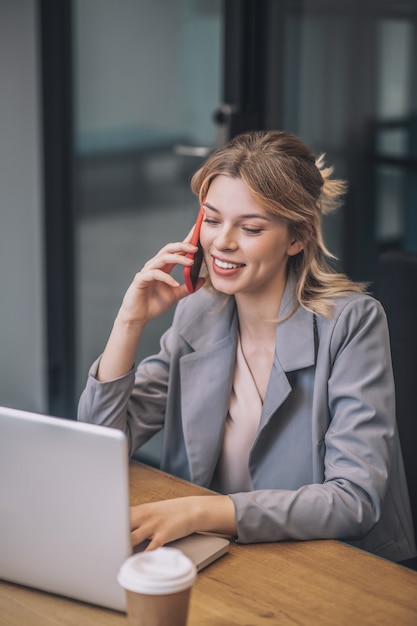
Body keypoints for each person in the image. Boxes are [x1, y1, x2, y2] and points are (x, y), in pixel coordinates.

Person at [78, 130, 416, 562]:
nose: (222, 242)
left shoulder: (352, 323)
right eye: (213, 220)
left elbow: (354, 500)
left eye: (250, 227)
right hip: (219, 554)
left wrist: (202, 510)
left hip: (326, 565)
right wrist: (130, 321)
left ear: (297, 238)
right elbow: (100, 445)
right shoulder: (199, 313)